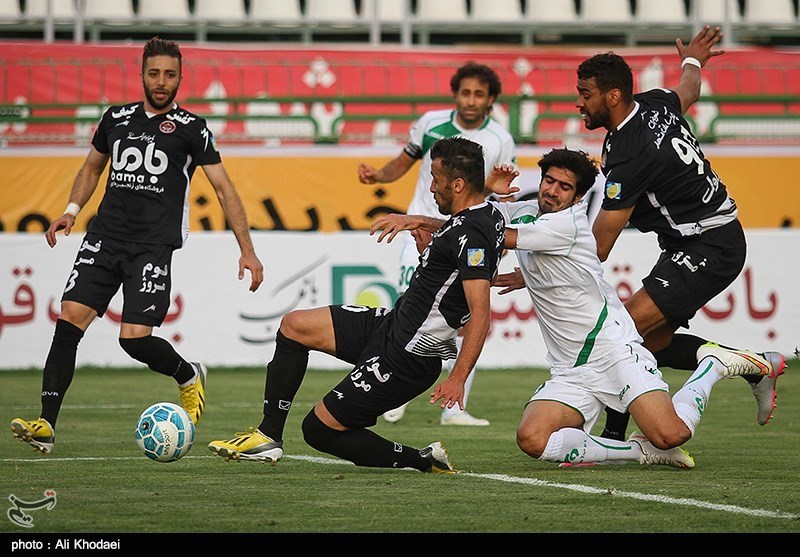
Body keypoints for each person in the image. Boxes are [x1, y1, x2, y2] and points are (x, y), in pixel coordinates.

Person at [389, 148, 777, 468]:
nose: (552, 191)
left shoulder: (568, 225)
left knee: (671, 434)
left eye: (565, 187)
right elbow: (469, 222)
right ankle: (637, 453)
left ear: (578, 197)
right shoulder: (525, 211)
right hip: (570, 368)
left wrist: (426, 217)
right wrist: (484, 201)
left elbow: (483, 232)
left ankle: (713, 367)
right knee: (532, 438)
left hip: (613, 351)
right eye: (549, 181)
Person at [11, 37, 264, 455]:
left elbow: (224, 189)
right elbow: (92, 168)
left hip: (152, 246)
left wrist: (247, 250)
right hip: (104, 237)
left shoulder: (192, 129)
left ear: (180, 78)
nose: (161, 82)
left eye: (170, 75)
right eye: (154, 73)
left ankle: (187, 374)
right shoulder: (115, 119)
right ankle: (46, 425)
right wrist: (71, 210)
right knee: (69, 319)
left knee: (132, 340)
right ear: (142, 75)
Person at [208, 137, 505, 472]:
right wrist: (423, 229)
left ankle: (422, 460)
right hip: (392, 324)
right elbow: (462, 234)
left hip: (407, 356)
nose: (432, 187)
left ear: (458, 185)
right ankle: (268, 437)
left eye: (435, 179)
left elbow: (481, 314)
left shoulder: (473, 235)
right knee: (294, 325)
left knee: (317, 430)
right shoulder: (489, 217)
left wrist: (458, 378)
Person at [357, 61, 519, 426]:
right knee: (408, 310)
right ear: (455, 95)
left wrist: (498, 236)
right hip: (420, 229)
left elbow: (495, 193)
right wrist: (378, 175)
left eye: (479, 94)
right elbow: (403, 162)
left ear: (490, 99)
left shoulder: (500, 139)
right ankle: (392, 391)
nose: (471, 100)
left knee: (464, 318)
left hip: (465, 237)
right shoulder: (430, 123)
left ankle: (454, 408)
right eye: (466, 92)